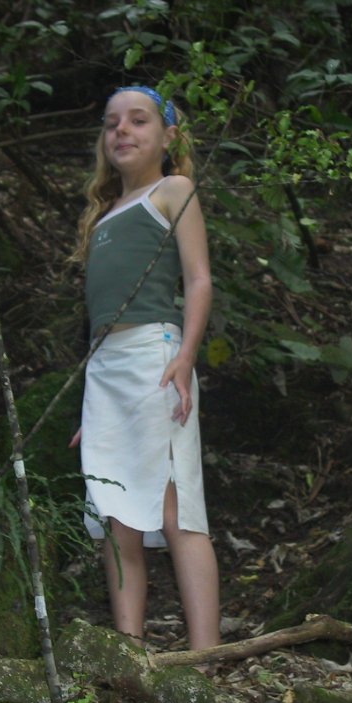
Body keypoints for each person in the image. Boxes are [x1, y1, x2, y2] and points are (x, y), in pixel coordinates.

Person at [69, 85, 220, 651]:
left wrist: (185, 356)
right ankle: (128, 652)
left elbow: (199, 279)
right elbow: (99, 319)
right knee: (117, 517)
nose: (122, 131)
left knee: (177, 509)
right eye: (112, 123)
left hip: (156, 358)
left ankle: (207, 659)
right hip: (105, 371)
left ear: (168, 136)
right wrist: (92, 409)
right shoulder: (103, 215)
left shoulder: (172, 190)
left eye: (138, 121)